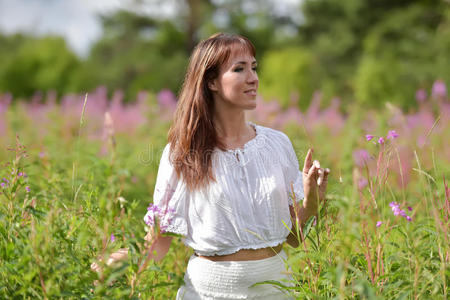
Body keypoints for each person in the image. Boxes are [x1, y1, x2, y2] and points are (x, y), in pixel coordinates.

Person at [92, 32, 330, 299]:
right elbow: (158, 241)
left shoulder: (277, 144)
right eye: (239, 69)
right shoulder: (183, 153)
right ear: (211, 82)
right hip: (210, 291)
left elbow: (294, 239)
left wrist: (312, 201)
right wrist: (118, 262)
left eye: (254, 67)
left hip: (276, 289)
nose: (253, 78)